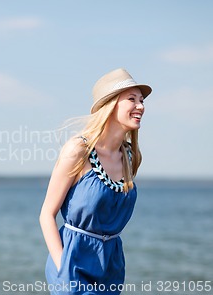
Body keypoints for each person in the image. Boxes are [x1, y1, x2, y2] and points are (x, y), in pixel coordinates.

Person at [39, 68, 152, 295]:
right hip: (74, 263)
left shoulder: (131, 156)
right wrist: (63, 268)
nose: (140, 106)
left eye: (141, 100)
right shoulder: (79, 150)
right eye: (132, 99)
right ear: (110, 105)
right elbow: (46, 215)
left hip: (111, 266)